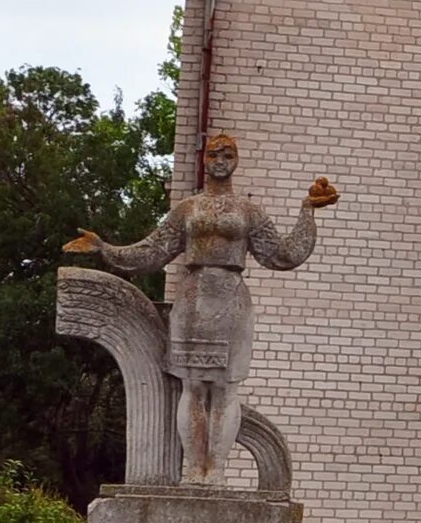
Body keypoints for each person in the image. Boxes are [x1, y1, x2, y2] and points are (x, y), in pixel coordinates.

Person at [67, 132, 336, 485]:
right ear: (204, 160)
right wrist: (105, 248)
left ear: (236, 160)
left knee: (224, 389)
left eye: (227, 154)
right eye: (214, 154)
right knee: (193, 387)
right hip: (193, 299)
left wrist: (307, 212)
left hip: (231, 300)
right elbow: (153, 250)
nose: (220, 160)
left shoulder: (247, 210)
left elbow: (282, 255)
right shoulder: (188, 209)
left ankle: (216, 472)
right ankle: (195, 470)